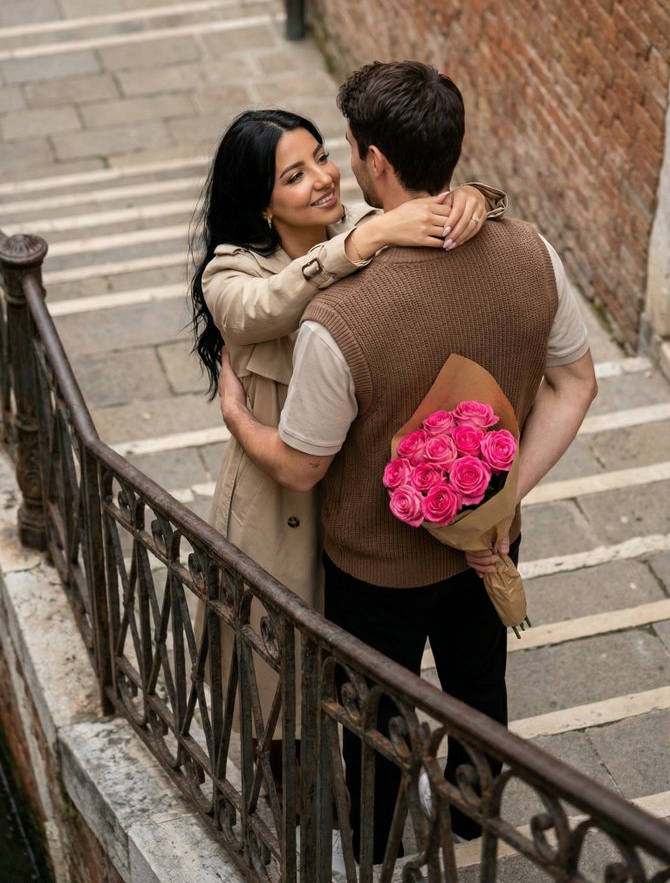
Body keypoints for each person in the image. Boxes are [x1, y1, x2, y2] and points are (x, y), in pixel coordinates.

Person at [219, 65, 598, 862]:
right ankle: (470, 823)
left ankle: (379, 847)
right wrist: (498, 499)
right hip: (490, 547)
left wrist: (234, 418)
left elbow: (298, 470)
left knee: (378, 721)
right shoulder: (535, 252)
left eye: (345, 152)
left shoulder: (337, 320)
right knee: (479, 694)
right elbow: (577, 384)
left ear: (376, 161)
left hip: (373, 575)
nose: (337, 171)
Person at [189, 106, 506, 791]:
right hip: (282, 502)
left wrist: (478, 199)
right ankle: (292, 812)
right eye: (294, 176)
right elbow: (260, 308)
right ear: (262, 203)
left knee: (367, 669)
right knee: (279, 676)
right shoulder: (231, 271)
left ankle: (373, 802)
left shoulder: (364, 234)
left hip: (355, 498)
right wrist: (358, 246)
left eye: (322, 159)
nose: (325, 180)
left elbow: (442, 207)